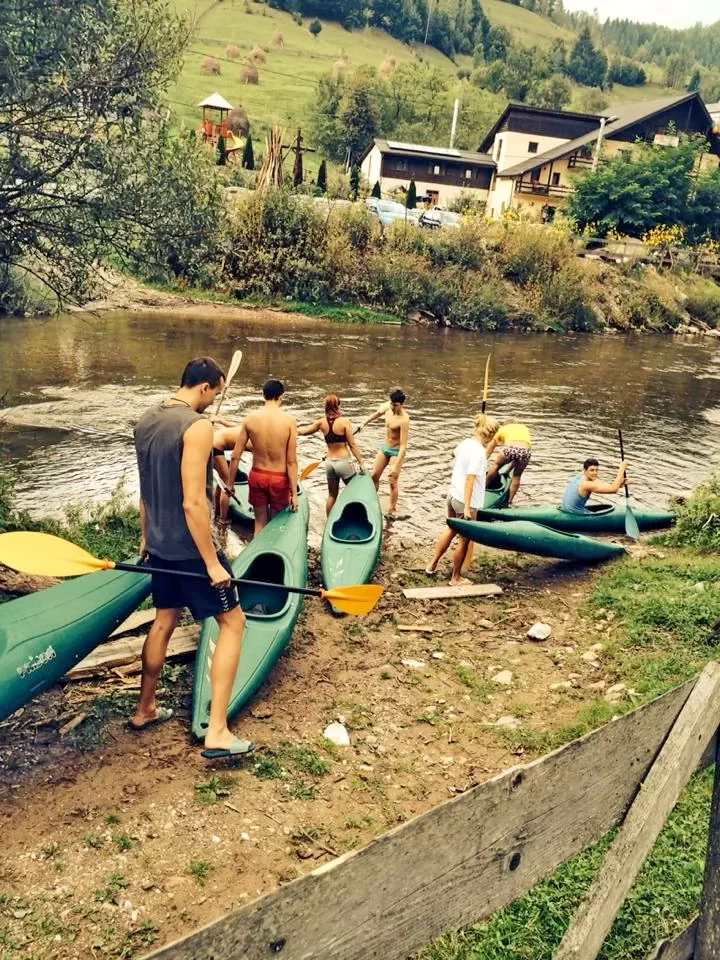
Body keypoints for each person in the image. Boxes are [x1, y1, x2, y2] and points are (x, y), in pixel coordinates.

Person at [132, 357, 252, 760]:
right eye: (216, 393)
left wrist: (147, 538)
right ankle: (217, 731)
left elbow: (146, 489)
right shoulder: (197, 426)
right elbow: (192, 502)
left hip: (161, 547)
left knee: (164, 620)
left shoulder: (146, 419)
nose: (214, 399)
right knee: (233, 622)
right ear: (205, 387)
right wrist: (213, 563)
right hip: (191, 549)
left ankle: (145, 708)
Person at [425, 414, 499, 585]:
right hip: (465, 501)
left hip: (452, 495)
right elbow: (470, 478)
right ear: (490, 435)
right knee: (464, 539)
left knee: (451, 529)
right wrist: (467, 507)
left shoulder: (466, 443)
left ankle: (432, 565)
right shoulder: (479, 452)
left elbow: (453, 454)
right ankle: (455, 578)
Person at [227, 379, 298, 536]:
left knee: (259, 522)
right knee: (276, 524)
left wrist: (230, 484)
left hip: (257, 475)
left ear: (263, 395)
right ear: (281, 397)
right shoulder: (289, 421)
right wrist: (294, 494)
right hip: (279, 479)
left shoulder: (250, 419)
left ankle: (257, 556)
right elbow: (291, 461)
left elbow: (235, 455)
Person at [298, 394, 365, 514]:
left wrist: (292, 429)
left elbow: (303, 432)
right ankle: (354, 517)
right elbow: (352, 445)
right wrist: (361, 462)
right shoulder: (344, 422)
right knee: (356, 490)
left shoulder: (321, 423)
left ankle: (329, 521)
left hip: (329, 464)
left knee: (332, 495)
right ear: (338, 406)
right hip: (343, 462)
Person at [358, 388, 409, 520]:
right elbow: (376, 414)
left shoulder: (404, 419)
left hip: (396, 452)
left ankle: (391, 511)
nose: (392, 407)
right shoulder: (387, 407)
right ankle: (371, 503)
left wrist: (396, 465)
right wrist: (363, 423)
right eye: (391, 404)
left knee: (392, 480)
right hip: (385, 447)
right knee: (374, 475)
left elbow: (403, 445)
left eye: (395, 405)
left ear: (401, 404)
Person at [485, 419, 532, 505]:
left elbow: (490, 448)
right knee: (517, 476)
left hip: (510, 449)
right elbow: (517, 456)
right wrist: (507, 471)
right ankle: (509, 502)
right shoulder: (523, 428)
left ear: (505, 425)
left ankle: (484, 487)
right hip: (525, 452)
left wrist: (483, 460)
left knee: (495, 466)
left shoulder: (502, 429)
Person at [561, 458, 628, 514]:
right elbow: (613, 489)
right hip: (574, 514)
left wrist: (619, 484)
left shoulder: (580, 476)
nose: (595, 473)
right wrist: (621, 469)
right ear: (585, 471)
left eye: (596, 470)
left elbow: (604, 486)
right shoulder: (586, 484)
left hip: (567, 510)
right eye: (592, 470)